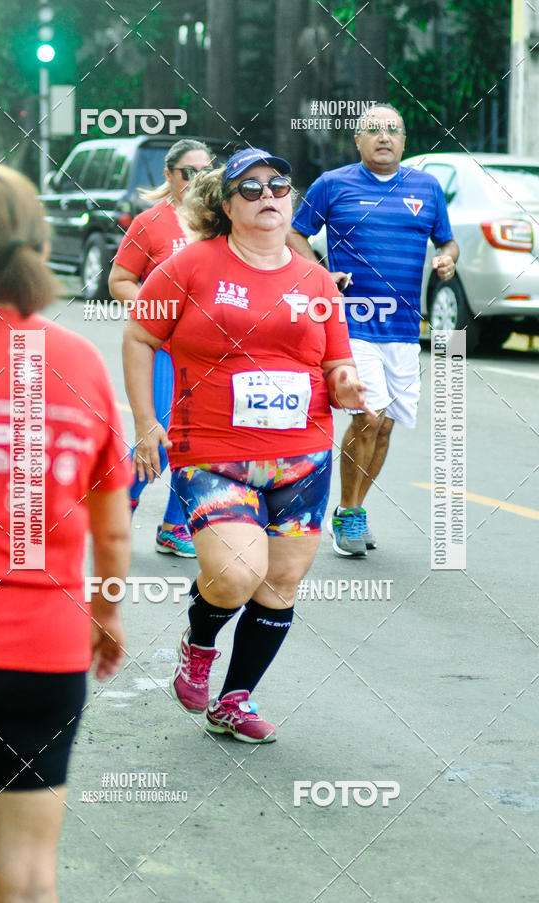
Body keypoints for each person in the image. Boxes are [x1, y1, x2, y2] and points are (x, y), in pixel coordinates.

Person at [123, 147, 373, 744]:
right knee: (236, 574)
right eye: (251, 188)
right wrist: (145, 422)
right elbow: (138, 337)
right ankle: (199, 641)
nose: (268, 196)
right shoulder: (190, 266)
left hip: (303, 459)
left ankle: (234, 700)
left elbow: (335, 360)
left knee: (280, 582)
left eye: (278, 186)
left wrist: (346, 383)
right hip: (213, 453)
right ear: (226, 205)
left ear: (291, 200)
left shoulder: (315, 279)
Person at [0, 163, 130, 903]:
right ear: (40, 245)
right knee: (27, 880)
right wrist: (105, 616)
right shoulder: (79, 361)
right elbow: (113, 534)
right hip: (47, 649)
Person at [288, 104, 459, 557]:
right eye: (374, 131)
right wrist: (321, 273)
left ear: (404, 141)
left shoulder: (426, 187)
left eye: (393, 131)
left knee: (385, 428)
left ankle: (353, 510)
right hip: (353, 324)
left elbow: (446, 241)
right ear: (358, 140)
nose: (384, 138)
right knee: (369, 416)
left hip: (404, 329)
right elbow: (296, 233)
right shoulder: (333, 184)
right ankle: (346, 513)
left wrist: (447, 259)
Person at [109, 138, 214, 558]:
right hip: (165, 350)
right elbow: (119, 281)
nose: (198, 179)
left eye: (206, 170)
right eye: (189, 171)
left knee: (199, 444)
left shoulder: (220, 222)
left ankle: (174, 527)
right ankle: (119, 503)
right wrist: (157, 311)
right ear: (169, 175)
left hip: (211, 353)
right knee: (161, 436)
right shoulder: (149, 223)